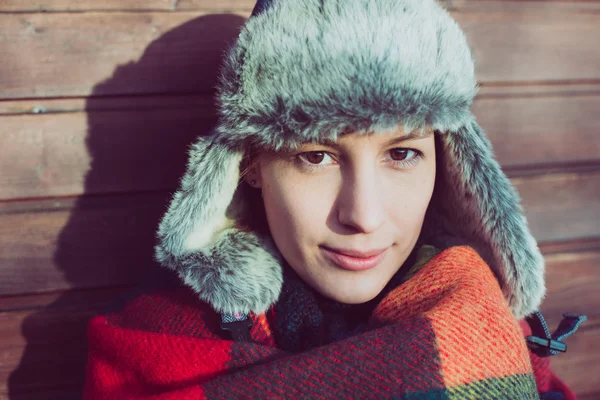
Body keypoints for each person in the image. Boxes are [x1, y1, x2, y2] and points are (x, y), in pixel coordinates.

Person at [84, 0, 585, 398]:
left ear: (449, 163)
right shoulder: (158, 344)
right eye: (316, 156)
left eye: (403, 152)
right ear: (250, 165)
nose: (363, 215)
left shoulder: (497, 333)